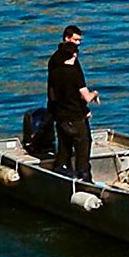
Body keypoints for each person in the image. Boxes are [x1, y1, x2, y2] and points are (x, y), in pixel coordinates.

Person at [46, 25, 100, 181]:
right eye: (76, 40)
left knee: (64, 143)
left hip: (59, 111)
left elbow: (55, 92)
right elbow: (83, 96)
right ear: (67, 38)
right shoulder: (73, 72)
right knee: (83, 144)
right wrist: (94, 95)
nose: (78, 44)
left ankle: (61, 170)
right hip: (75, 114)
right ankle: (84, 175)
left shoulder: (54, 63)